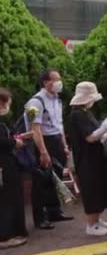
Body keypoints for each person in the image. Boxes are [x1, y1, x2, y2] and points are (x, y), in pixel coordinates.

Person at [26, 68, 73, 230]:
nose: (59, 82)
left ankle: (55, 211)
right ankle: (40, 218)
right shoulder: (35, 102)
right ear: (46, 82)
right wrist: (43, 152)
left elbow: (59, 124)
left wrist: (64, 146)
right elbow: (35, 129)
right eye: (56, 79)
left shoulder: (56, 100)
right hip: (42, 142)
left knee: (56, 177)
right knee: (41, 180)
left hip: (56, 140)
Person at [68, 82, 107, 236]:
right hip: (87, 160)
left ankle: (96, 220)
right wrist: (106, 127)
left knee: (98, 189)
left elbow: (96, 134)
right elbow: (89, 137)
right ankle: (91, 224)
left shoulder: (85, 112)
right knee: (92, 190)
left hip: (95, 157)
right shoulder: (77, 115)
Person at [0, 88, 29, 248]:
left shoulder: (2, 123)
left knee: (10, 198)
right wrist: (14, 142)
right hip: (3, 166)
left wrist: (17, 138)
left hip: (8, 164)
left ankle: (13, 231)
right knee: (5, 200)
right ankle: (4, 236)